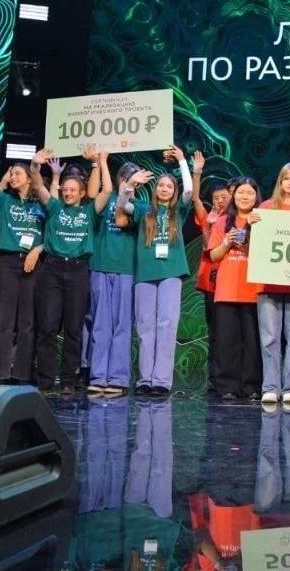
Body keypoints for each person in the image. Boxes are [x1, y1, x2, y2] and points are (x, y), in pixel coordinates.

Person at [30, 147, 103, 394]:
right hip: (51, 270)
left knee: (73, 328)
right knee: (48, 327)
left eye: (73, 190)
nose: (68, 193)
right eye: (65, 190)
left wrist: (97, 163)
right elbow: (38, 185)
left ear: (82, 193)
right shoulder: (54, 207)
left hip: (78, 270)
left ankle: (69, 381)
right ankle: (46, 381)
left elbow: (106, 192)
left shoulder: (89, 211)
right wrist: (35, 165)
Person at [121, 147, 192, 398]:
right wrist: (130, 183)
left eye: (169, 186)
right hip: (146, 273)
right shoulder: (143, 209)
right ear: (155, 189)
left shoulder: (178, 210)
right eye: (161, 185)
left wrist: (182, 160)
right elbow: (123, 204)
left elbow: (190, 191)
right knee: (145, 326)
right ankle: (145, 379)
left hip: (171, 272)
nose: (164, 188)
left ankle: (161, 380)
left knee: (167, 324)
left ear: (174, 191)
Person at [0, 146, 45, 384]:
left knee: (27, 323)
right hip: (8, 262)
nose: (12, 177)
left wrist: (38, 248)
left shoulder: (41, 203)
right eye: (11, 173)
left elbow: (53, 235)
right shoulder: (4, 200)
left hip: (33, 264)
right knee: (4, 321)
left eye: (17, 173)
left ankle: (23, 373)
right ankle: (2, 374)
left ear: (29, 178)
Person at [258, 162, 290, 405]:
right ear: (280, 182)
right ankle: (270, 386)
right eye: (286, 178)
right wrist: (251, 222)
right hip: (269, 284)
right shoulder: (266, 207)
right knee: (270, 337)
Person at [86, 152, 137, 396]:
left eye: (134, 179)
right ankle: (98, 376)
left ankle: (118, 378)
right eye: (126, 178)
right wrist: (100, 162)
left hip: (126, 270)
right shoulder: (105, 199)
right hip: (100, 267)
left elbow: (125, 214)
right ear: (119, 179)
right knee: (100, 325)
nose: (129, 182)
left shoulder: (138, 206)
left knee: (122, 325)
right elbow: (94, 192)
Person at [209, 177, 263, 402]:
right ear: (234, 195)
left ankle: (251, 386)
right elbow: (213, 256)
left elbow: (266, 256)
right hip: (227, 290)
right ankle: (227, 386)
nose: (245, 196)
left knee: (252, 343)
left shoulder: (262, 220)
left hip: (253, 290)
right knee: (227, 342)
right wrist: (227, 242)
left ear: (256, 197)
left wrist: (248, 242)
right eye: (241, 192)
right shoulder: (223, 221)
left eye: (250, 193)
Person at [190, 152, 226, 395]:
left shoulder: (235, 220)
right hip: (210, 283)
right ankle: (214, 378)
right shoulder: (208, 218)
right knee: (213, 331)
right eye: (216, 198)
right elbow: (194, 198)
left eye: (224, 197)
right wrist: (198, 171)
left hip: (230, 283)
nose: (220, 201)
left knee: (227, 332)